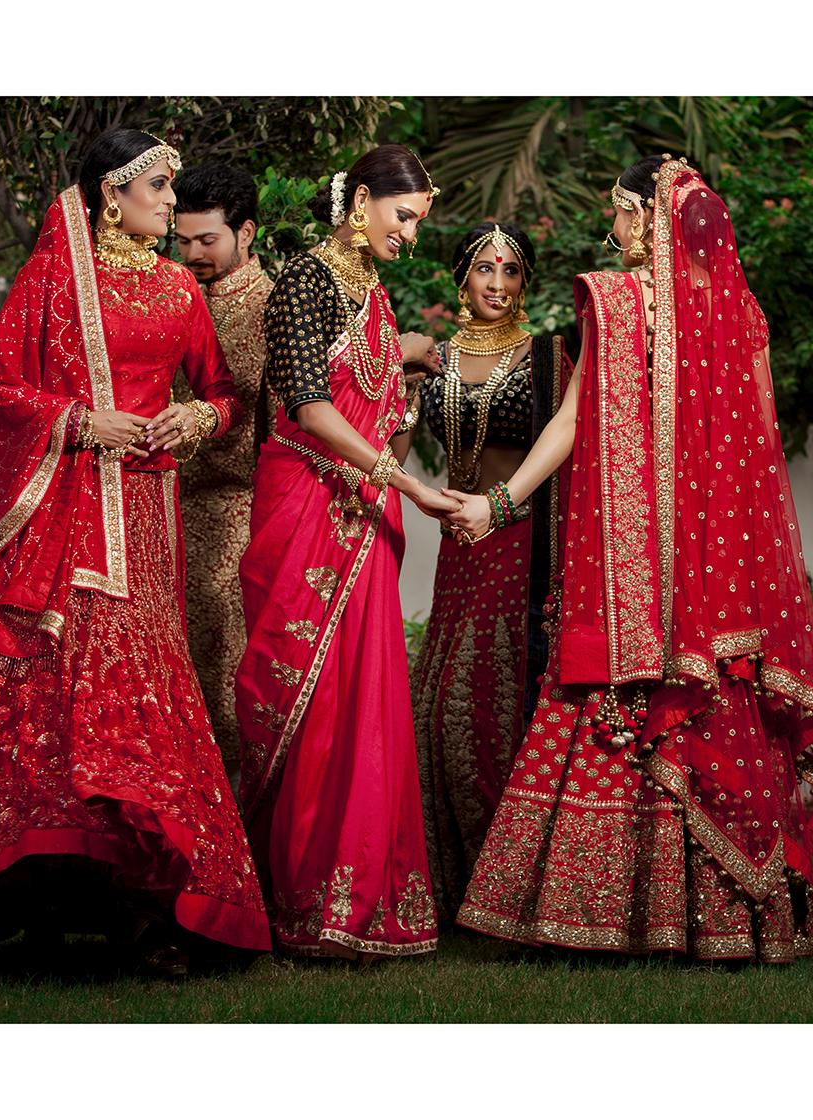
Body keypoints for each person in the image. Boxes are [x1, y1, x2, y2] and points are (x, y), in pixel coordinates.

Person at [0, 129, 270, 976]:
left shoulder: (180, 287)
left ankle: (143, 914)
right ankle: (33, 903)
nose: (171, 202)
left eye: (172, 187)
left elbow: (222, 393)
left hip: (144, 519)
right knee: (46, 697)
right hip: (58, 515)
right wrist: (78, 421)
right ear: (113, 194)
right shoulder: (53, 280)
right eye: (158, 187)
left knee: (139, 699)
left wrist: (194, 418)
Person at [450, 156, 813, 961]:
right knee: (714, 705)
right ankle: (727, 922)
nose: (614, 226)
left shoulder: (618, 301)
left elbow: (570, 422)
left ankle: (605, 913)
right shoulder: (737, 311)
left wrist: (499, 501)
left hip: (628, 566)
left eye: (621, 211)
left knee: (614, 704)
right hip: (715, 570)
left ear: (647, 217)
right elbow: (757, 453)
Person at [235, 144, 457, 960]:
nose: (411, 234)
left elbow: (371, 396)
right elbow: (308, 404)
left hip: (362, 511)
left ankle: (355, 897)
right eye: (404, 216)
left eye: (418, 222)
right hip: (308, 502)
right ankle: (293, 895)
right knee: (309, 695)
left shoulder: (371, 290)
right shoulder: (306, 279)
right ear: (361, 202)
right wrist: (407, 483)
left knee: (364, 699)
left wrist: (413, 373)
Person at [410, 221, 571, 922]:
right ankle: (452, 880)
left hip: (518, 538)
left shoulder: (549, 357)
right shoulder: (435, 359)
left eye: (510, 271)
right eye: (484, 270)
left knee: (487, 698)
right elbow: (383, 427)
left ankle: (508, 881)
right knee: (438, 703)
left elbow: (572, 448)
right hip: (457, 547)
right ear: (461, 278)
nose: (498, 285)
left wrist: (500, 509)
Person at [169, 161, 274, 769]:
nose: (192, 254)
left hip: (241, 514)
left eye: (207, 240)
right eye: (182, 241)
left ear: (247, 232)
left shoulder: (274, 309)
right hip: (164, 511)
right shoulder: (171, 298)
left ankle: (236, 812)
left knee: (231, 686)